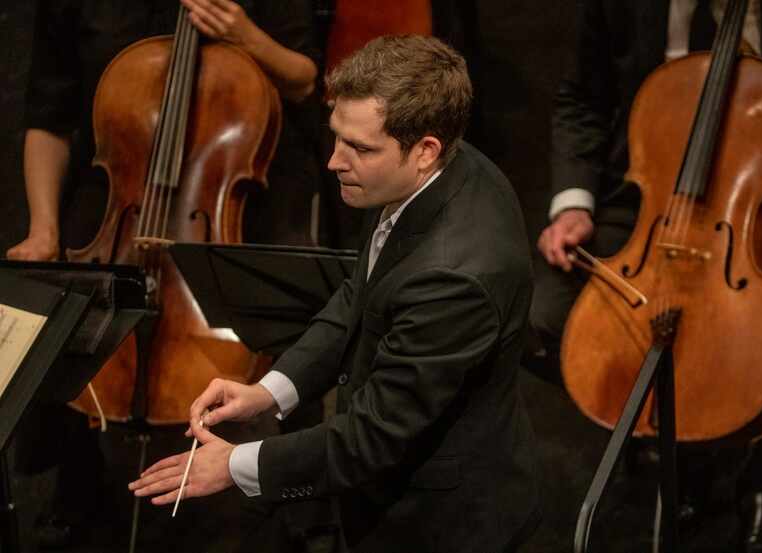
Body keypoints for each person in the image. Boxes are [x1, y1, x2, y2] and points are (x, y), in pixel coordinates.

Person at [129, 34, 544, 553]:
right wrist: (271, 391)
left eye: (360, 148)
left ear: (425, 150)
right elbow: (361, 290)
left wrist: (236, 465)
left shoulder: (454, 277)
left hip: (438, 519)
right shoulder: (432, 169)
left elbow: (374, 437)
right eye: (337, 138)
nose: (334, 162)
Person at [6, 0, 320, 547]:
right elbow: (48, 116)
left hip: (231, 210)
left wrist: (245, 35)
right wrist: (43, 228)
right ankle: (81, 510)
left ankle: (268, 514)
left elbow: (305, 79)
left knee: (284, 333)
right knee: (65, 337)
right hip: (116, 210)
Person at [530, 1, 762, 551]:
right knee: (546, 318)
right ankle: (654, 427)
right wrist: (572, 204)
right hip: (653, 190)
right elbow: (582, 98)